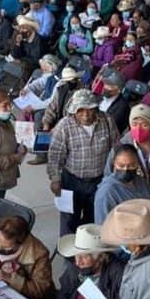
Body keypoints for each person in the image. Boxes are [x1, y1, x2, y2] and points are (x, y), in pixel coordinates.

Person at [48, 89, 120, 235]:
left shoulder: (106, 120)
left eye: (90, 110)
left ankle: (89, 254)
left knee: (93, 219)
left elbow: (116, 148)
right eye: (80, 111)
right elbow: (55, 155)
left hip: (98, 181)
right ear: (74, 111)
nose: (86, 115)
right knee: (69, 221)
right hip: (71, 181)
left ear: (96, 108)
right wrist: (55, 179)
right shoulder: (65, 125)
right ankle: (68, 255)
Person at [52, 224, 125, 299]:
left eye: (84, 256)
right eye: (76, 255)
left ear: (102, 257)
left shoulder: (119, 275)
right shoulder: (75, 268)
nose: (78, 262)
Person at [103, 104, 150, 201]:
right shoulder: (119, 149)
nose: (139, 129)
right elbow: (108, 178)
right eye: (134, 124)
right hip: (131, 204)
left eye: (144, 125)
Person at [95, 144, 150, 224]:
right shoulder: (107, 192)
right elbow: (102, 225)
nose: (126, 169)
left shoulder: (141, 181)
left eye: (131, 165)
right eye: (121, 165)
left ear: (137, 164)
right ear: (114, 164)